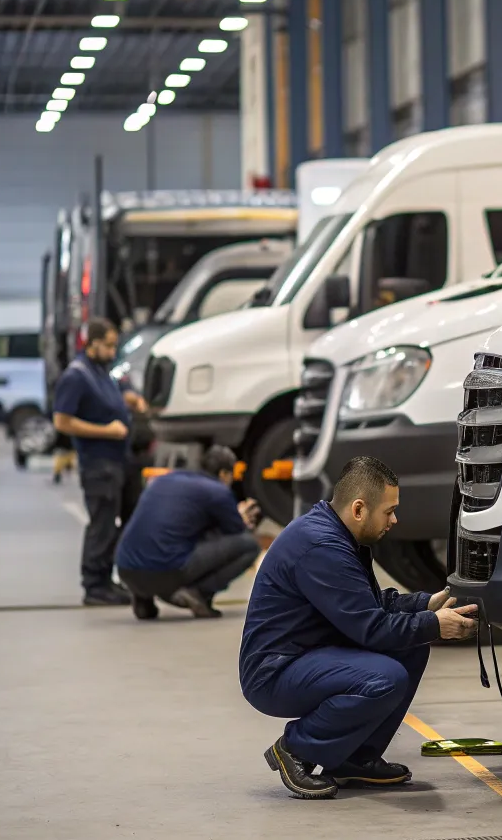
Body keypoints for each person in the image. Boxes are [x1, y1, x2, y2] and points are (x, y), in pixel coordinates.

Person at [239, 456, 477, 800]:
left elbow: (369, 603)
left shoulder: (337, 534)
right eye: (389, 511)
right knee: (385, 677)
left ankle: (354, 760)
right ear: (360, 509)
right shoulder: (322, 547)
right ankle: (295, 750)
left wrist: (426, 604)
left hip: (307, 655)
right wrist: (434, 625)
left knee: (410, 649)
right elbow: (372, 629)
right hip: (275, 672)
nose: (394, 520)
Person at [52, 318, 147, 606]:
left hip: (118, 461)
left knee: (118, 521)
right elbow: (62, 422)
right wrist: (106, 430)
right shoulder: (76, 376)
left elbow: (110, 398)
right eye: (107, 345)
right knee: (102, 525)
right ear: (91, 343)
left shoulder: (101, 373)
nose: (112, 350)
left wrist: (127, 399)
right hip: (98, 464)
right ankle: (94, 585)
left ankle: (108, 579)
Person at [116, 445, 262, 620]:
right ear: (224, 474)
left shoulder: (166, 479)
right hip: (165, 572)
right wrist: (241, 518)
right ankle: (199, 593)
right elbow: (235, 531)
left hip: (126, 569)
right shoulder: (218, 491)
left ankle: (143, 597)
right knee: (249, 545)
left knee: (169, 537)